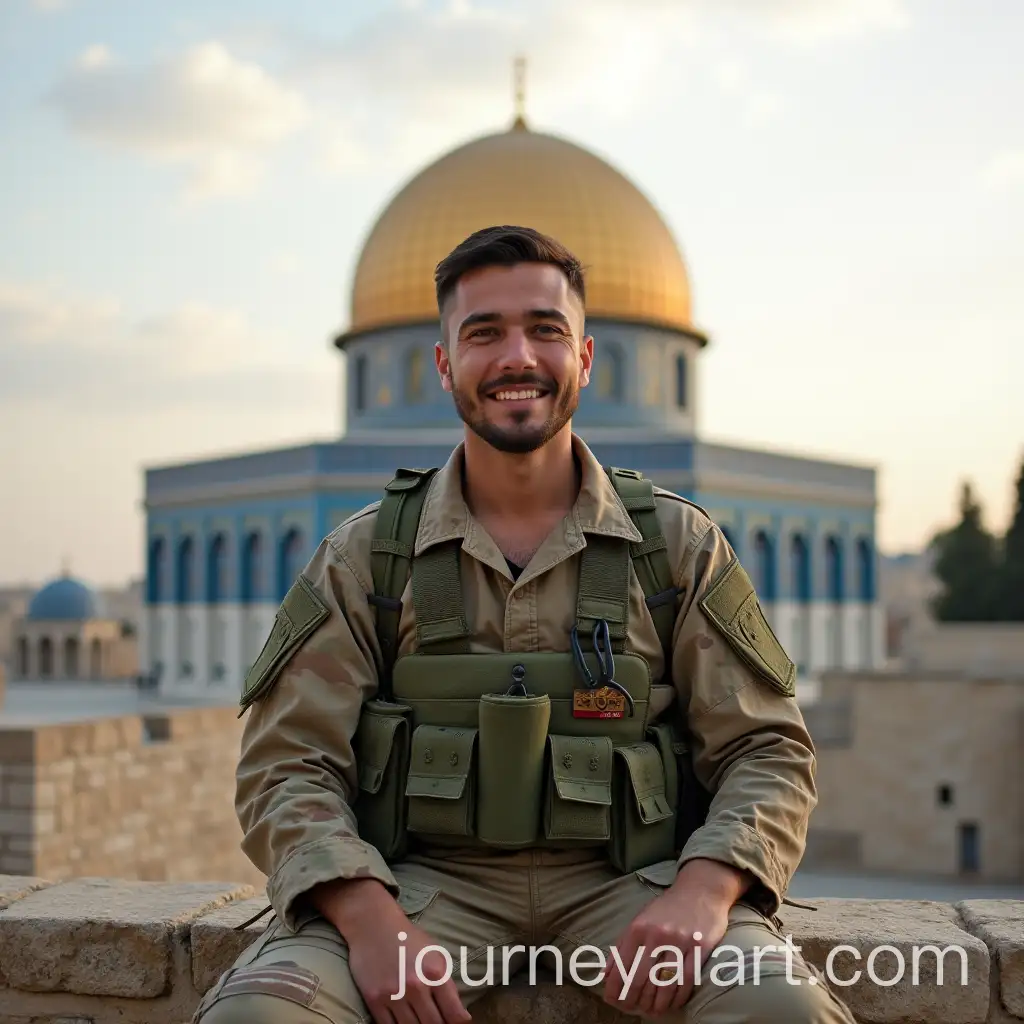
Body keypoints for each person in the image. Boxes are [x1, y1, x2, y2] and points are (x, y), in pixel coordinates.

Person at [192, 225, 856, 1024]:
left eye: (545, 330)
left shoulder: (674, 548)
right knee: (258, 1017)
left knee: (784, 1011)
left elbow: (767, 749)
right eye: (484, 333)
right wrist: (368, 918)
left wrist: (705, 890)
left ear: (584, 358)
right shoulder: (368, 556)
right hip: (420, 894)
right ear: (442, 365)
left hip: (633, 890)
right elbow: (287, 763)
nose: (518, 358)